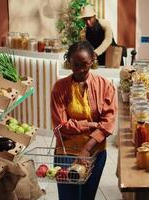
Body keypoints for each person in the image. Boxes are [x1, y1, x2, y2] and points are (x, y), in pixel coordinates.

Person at [50, 41, 117, 200]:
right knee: (68, 198)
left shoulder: (105, 86)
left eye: (84, 64)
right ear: (69, 62)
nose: (80, 70)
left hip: (95, 153)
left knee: (88, 197)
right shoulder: (59, 88)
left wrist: (86, 149)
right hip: (66, 154)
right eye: (75, 65)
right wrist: (90, 124)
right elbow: (61, 125)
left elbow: (107, 124)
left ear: (93, 60)